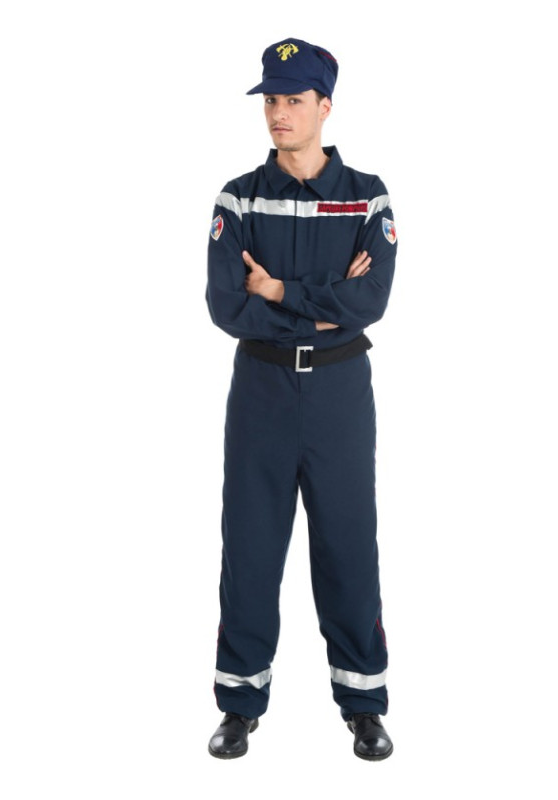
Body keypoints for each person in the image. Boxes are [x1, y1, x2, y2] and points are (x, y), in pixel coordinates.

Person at [205, 37, 397, 761]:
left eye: (293, 100)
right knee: (251, 545)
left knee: (347, 544)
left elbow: (370, 302)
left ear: (325, 106)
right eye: (271, 100)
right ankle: (239, 703)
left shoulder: (367, 196)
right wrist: (323, 305)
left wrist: (280, 289)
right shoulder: (239, 196)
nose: (278, 113)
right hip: (261, 389)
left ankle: (363, 704)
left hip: (340, 392)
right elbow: (227, 305)